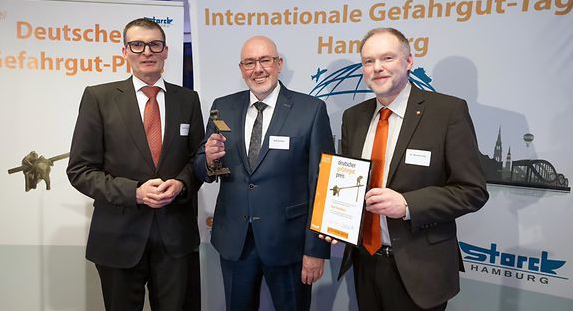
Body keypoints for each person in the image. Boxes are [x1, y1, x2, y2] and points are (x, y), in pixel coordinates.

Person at [322, 28, 489, 310]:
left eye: (387, 58)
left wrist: (407, 204)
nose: (377, 68)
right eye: (368, 61)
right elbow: (351, 181)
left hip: (420, 268)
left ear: (409, 61)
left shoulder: (447, 112)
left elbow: (472, 191)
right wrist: (337, 221)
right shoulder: (354, 118)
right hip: (365, 260)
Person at [67, 18, 205, 310]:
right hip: (118, 237)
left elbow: (198, 160)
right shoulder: (99, 98)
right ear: (124, 51)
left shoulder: (188, 100)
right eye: (137, 44)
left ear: (166, 50)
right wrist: (135, 192)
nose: (147, 52)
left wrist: (181, 184)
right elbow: (80, 171)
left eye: (155, 44)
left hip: (175, 240)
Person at [194, 36, 334, 310]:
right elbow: (202, 167)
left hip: (289, 243)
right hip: (235, 242)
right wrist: (208, 159)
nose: (258, 69)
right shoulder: (223, 106)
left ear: (278, 64)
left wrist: (315, 250)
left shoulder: (311, 110)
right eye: (249, 62)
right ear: (241, 68)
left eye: (265, 60)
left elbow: (322, 182)